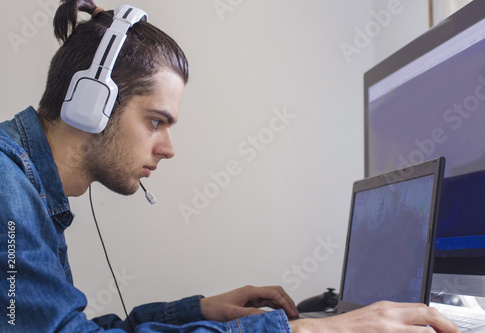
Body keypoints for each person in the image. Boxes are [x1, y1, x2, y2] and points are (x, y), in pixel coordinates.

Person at [0, 0, 459, 332]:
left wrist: (200, 310)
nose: (168, 148)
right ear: (91, 105)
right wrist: (312, 330)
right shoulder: (6, 188)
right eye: (156, 121)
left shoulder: (27, 188)